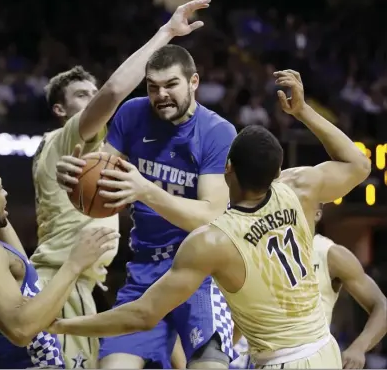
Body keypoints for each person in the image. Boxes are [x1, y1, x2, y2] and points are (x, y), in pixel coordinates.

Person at [52, 69, 372, 369]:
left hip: (280, 360)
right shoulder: (299, 189)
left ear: (227, 167)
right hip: (324, 349)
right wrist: (303, 111)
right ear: (276, 171)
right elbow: (358, 164)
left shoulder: (214, 240)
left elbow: (143, 314)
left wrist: (62, 324)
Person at [30, 0, 211, 368]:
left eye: (92, 93)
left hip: (78, 283)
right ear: (60, 111)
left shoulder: (95, 153)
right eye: (83, 96)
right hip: (63, 283)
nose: (94, 100)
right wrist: (166, 33)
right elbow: (114, 91)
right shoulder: (70, 137)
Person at [57, 43, 237, 368]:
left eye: (171, 85)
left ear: (193, 82)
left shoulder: (217, 132)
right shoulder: (132, 113)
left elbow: (210, 217)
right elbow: (103, 178)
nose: (161, 95)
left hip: (200, 271)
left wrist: (145, 190)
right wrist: (74, 176)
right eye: (153, 87)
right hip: (145, 271)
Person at [0, 158, 118, 369]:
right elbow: (21, 330)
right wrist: (74, 264)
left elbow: (25, 271)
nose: (6, 194)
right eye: (0, 188)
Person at [313, 204, 387, 369]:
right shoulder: (260, 249)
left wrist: (359, 347)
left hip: (314, 361)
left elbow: (382, 306)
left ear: (317, 213)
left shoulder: (328, 253)